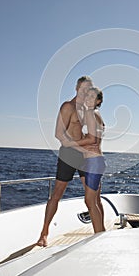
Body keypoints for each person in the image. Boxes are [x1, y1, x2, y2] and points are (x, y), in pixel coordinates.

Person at [37, 76, 93, 247]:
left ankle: (97, 231)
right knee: (57, 195)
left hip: (84, 155)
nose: (85, 92)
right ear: (76, 88)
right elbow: (59, 134)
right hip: (68, 153)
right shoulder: (68, 107)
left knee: (92, 194)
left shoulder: (85, 110)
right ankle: (44, 233)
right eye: (83, 89)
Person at [68, 87, 106, 233]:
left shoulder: (92, 114)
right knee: (96, 200)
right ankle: (101, 232)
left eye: (92, 97)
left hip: (93, 163)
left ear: (98, 101)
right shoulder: (97, 115)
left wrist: (72, 143)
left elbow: (92, 139)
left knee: (89, 201)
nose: (88, 100)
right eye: (87, 97)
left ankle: (98, 235)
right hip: (97, 161)